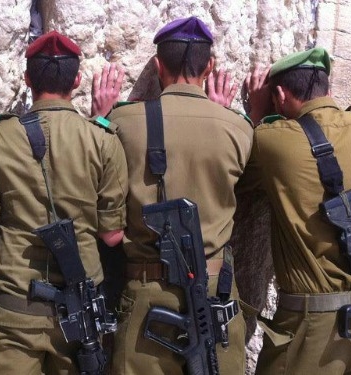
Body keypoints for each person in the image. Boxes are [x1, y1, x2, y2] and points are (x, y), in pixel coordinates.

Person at [92, 16, 253, 375]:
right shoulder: (239, 129)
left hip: (148, 289)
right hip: (215, 293)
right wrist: (220, 114)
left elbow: (92, 171)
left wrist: (99, 119)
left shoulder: (122, 123)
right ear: (209, 67)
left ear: (157, 65)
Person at [0, 30, 128, 374]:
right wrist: (100, 119)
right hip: (80, 315)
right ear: (78, 80)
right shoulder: (103, 141)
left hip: (15, 307)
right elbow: (112, 236)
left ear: (27, 78)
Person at [241, 47, 351, 374]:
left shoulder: (271, 140)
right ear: (328, 88)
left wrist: (256, 113)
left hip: (310, 333)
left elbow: (244, 172)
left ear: (279, 94)